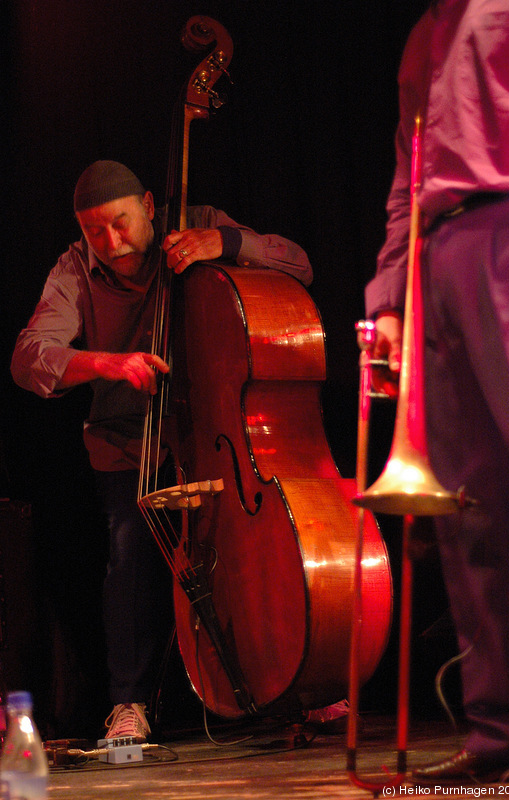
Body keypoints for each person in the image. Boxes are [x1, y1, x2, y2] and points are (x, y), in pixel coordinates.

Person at [10, 160, 313, 742]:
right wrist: (105, 363)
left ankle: (297, 680)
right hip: (130, 435)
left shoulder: (197, 225)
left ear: (149, 204)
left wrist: (225, 243)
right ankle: (130, 705)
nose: (110, 241)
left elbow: (299, 264)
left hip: (216, 427)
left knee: (258, 549)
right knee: (130, 554)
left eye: (119, 223)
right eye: (94, 230)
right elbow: (29, 355)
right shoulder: (75, 266)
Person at [365, 0, 509, 783]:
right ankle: (502, 738)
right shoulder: (423, 36)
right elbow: (409, 172)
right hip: (441, 253)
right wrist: (389, 294)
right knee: (472, 513)